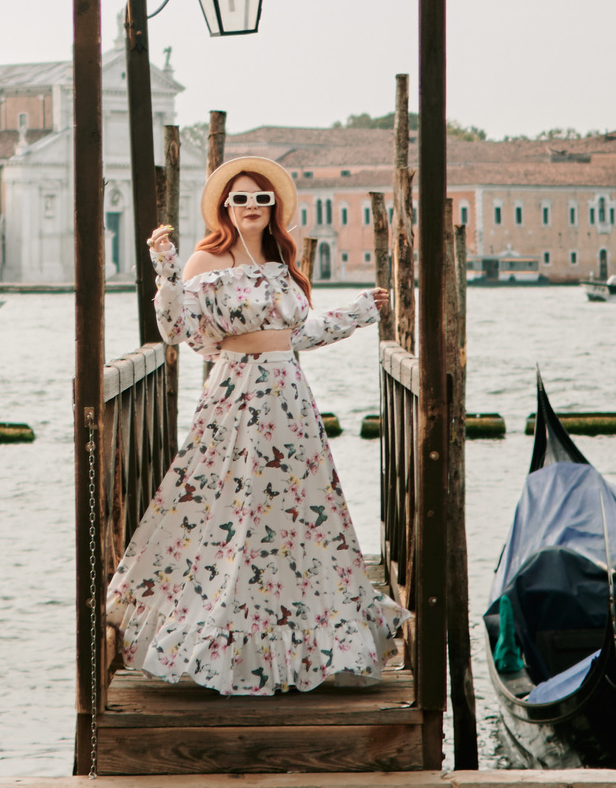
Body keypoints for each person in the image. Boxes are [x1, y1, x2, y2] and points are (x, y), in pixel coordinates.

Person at [104, 155, 407, 696]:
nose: (249, 206)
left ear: (274, 207)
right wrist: (166, 268)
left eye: (260, 199)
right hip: (235, 396)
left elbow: (300, 334)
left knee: (295, 515)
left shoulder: (282, 262)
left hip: (290, 399)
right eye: (239, 198)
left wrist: (360, 311)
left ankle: (305, 644)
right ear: (225, 205)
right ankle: (212, 641)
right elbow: (176, 332)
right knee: (230, 509)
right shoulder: (204, 259)